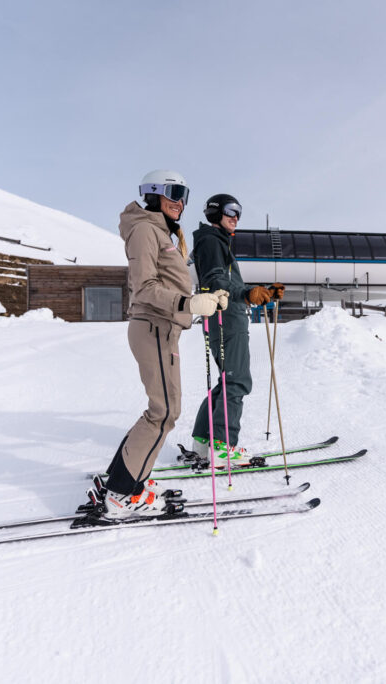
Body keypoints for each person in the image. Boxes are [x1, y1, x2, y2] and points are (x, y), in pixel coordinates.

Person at [98, 170, 227, 521]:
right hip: (153, 326)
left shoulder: (163, 232)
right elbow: (144, 287)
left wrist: (206, 298)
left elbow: (170, 282)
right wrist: (186, 305)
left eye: (184, 193)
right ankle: (123, 494)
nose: (181, 201)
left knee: (162, 409)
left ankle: (122, 479)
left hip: (163, 328)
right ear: (153, 193)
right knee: (164, 411)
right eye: (173, 192)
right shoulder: (144, 229)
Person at [189, 193, 285, 461]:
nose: (236, 218)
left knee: (227, 380)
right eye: (231, 211)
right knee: (237, 381)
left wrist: (260, 292)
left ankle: (204, 441)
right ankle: (222, 447)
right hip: (226, 318)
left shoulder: (216, 242)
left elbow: (225, 280)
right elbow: (216, 279)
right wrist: (245, 294)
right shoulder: (211, 241)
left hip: (225, 316)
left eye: (239, 212)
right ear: (215, 213)